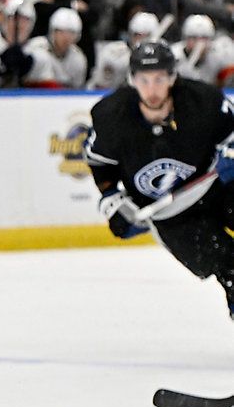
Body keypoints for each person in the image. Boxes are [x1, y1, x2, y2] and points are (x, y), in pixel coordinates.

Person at [85, 41, 234, 319]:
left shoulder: (203, 102)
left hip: (217, 188)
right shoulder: (112, 118)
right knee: (230, 266)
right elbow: (99, 164)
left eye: (159, 79)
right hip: (173, 217)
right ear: (132, 80)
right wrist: (112, 200)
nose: (152, 89)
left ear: (172, 78)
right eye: (144, 80)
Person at [87, 10, 159, 90]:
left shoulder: (162, 57)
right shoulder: (112, 52)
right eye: (137, 35)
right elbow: (100, 87)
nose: (140, 40)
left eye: (145, 36)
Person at [172, 14, 234, 86]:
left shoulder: (218, 55)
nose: (199, 43)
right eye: (193, 38)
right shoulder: (174, 55)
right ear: (185, 38)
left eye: (204, 38)